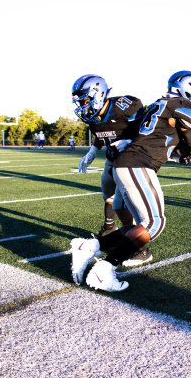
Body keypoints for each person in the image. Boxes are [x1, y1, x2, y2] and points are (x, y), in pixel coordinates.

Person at [70, 70, 191, 292]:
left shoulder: (156, 105)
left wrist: (178, 154)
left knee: (142, 223)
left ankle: (91, 246)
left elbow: (157, 141)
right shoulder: (180, 103)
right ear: (190, 88)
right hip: (136, 165)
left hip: (129, 163)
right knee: (154, 223)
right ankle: (105, 270)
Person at [71, 74, 150, 266]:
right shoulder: (92, 114)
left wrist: (130, 141)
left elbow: (149, 130)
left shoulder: (125, 106)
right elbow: (100, 132)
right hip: (112, 158)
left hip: (133, 159)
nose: (83, 106)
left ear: (97, 94)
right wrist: (92, 152)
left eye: (85, 100)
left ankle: (138, 247)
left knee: (130, 204)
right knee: (109, 195)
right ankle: (111, 230)